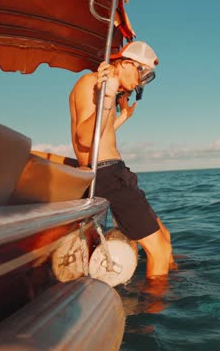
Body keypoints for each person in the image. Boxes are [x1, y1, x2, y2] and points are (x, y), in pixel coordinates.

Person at [69, 41, 174, 278]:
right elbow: (85, 138)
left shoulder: (107, 88)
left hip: (116, 173)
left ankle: (172, 281)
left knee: (165, 237)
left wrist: (123, 116)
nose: (140, 83)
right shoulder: (91, 83)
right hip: (107, 175)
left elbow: (101, 134)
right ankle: (158, 298)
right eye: (142, 74)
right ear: (127, 64)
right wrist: (107, 97)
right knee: (160, 250)